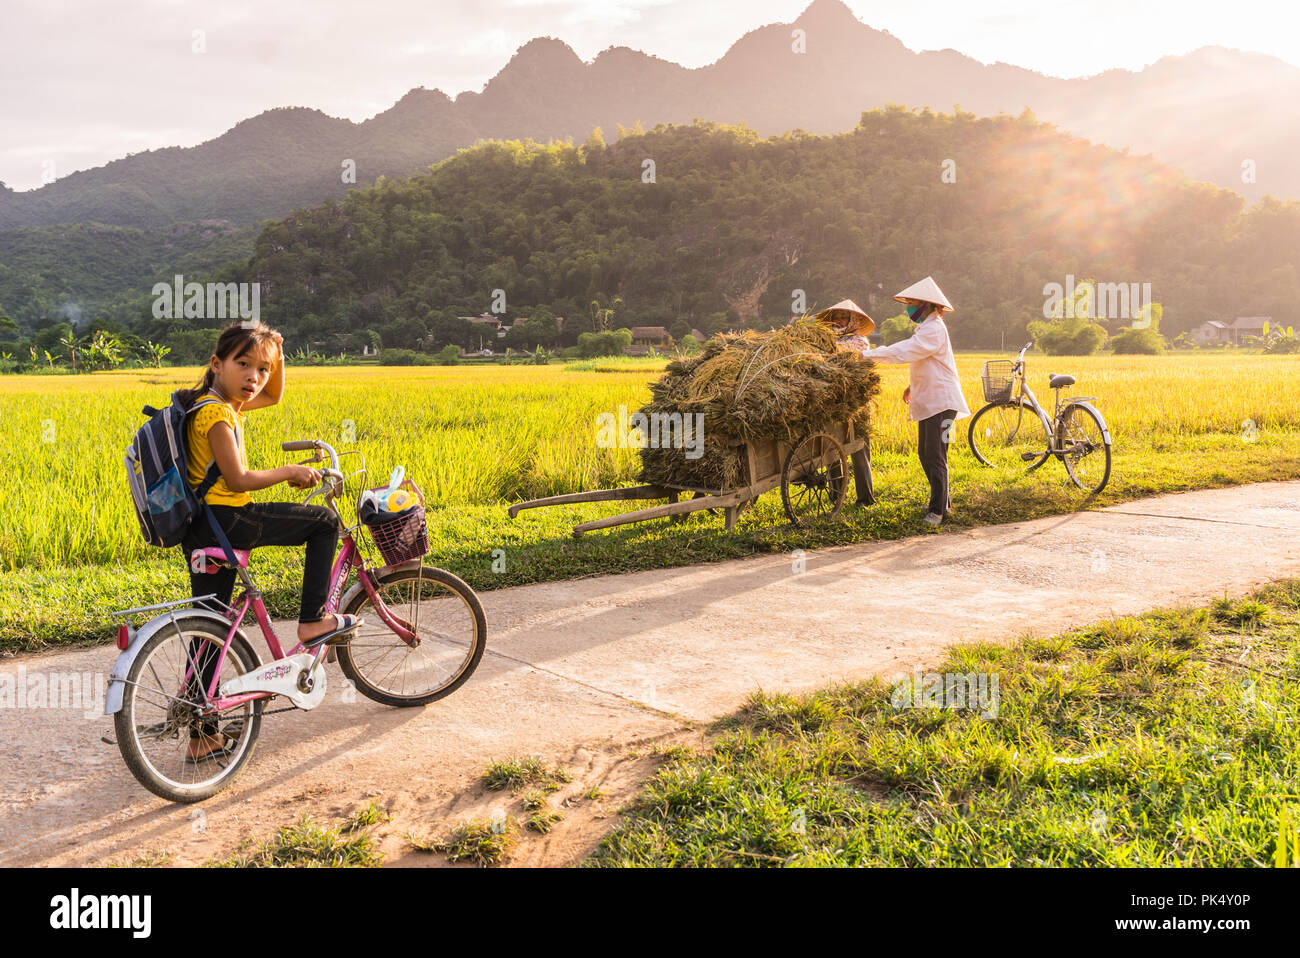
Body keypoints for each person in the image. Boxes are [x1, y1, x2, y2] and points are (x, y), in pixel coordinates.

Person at [177, 320, 362, 762]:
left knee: (210, 627)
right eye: (243, 365)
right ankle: (314, 621)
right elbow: (239, 478)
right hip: (232, 518)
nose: (254, 378)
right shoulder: (217, 414)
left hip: (201, 529)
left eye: (262, 369)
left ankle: (202, 734)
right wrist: (290, 471)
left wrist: (276, 350)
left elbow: (275, 395)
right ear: (216, 363)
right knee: (322, 524)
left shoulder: (208, 403)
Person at [856, 277, 969, 527]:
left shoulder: (934, 328)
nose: (908, 308)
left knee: (935, 455)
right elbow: (930, 361)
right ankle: (944, 502)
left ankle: (937, 511)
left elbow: (905, 351)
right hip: (934, 401)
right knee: (929, 454)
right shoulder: (928, 328)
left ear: (927, 305)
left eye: (912, 303)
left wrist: (866, 355)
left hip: (942, 404)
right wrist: (913, 385)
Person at [814, 299, 878, 507]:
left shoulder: (860, 341)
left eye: (844, 317)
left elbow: (847, 357)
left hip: (855, 404)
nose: (839, 321)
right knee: (832, 447)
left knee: (859, 448)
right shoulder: (824, 342)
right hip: (832, 402)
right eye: (836, 318)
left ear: (852, 321)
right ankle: (835, 494)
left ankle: (865, 498)